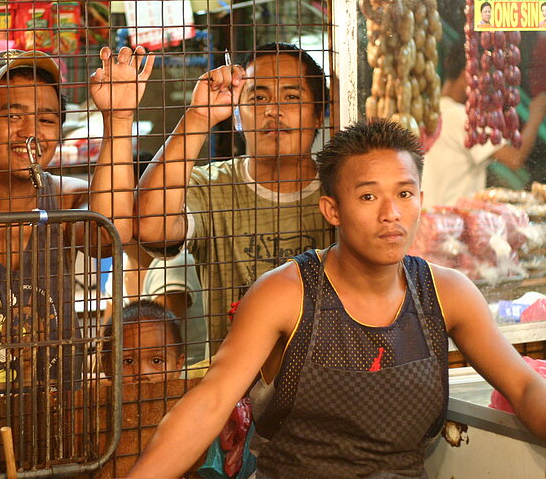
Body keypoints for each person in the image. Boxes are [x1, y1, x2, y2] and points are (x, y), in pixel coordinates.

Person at [126, 120, 546, 478]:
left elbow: (524, 387)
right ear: (332, 209)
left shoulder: (447, 294)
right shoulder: (285, 293)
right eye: (368, 196)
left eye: (404, 193)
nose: (391, 213)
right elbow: (209, 402)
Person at [0, 46, 153, 390]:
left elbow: (108, 237)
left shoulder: (63, 195)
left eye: (46, 120)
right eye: (12, 116)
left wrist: (117, 119)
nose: (31, 133)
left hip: (57, 405)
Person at [136, 42, 333, 352]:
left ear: (319, 115)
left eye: (292, 97)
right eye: (258, 97)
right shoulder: (212, 187)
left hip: (328, 374)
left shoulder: (342, 189)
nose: (273, 110)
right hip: (236, 388)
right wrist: (199, 116)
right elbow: (151, 226)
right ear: (239, 114)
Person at [422, 43, 546, 206]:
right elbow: (514, 159)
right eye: (487, 78)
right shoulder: (465, 117)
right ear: (469, 73)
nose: (489, 88)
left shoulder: (429, 112)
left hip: (428, 218)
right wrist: (536, 115)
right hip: (452, 223)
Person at [141, 251, 207, 367]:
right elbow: (107, 347)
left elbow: (155, 346)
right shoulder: (122, 264)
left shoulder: (172, 265)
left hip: (188, 372)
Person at [101, 300, 186, 384]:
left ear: (178, 365)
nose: (143, 373)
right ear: (108, 367)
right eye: (128, 361)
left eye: (157, 361)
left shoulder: (191, 397)